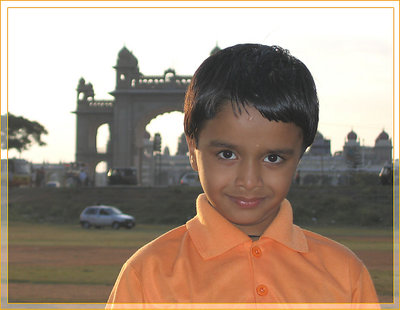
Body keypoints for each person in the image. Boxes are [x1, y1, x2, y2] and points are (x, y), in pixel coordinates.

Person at [106, 44, 378, 306]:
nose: (249, 181)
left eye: (273, 158)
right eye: (227, 154)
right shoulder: (148, 276)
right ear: (192, 149)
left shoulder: (345, 275)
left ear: (299, 158)